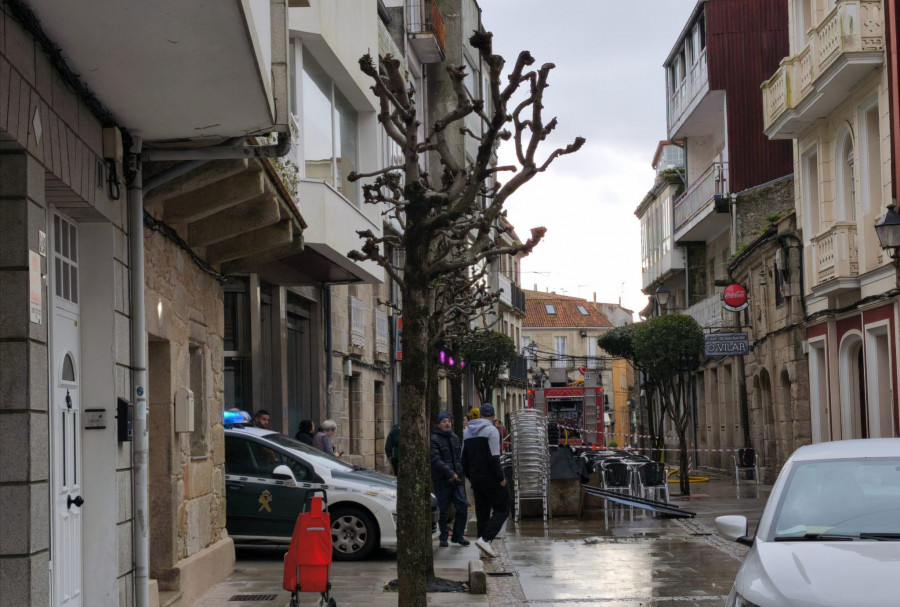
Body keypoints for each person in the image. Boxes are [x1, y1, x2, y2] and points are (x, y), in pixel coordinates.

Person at [461, 403, 509, 559]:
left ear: (480, 414)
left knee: (482, 512)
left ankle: (483, 548)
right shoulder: (491, 430)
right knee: (503, 509)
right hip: (491, 478)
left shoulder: (468, 432)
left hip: (476, 479)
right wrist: (501, 478)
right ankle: (486, 538)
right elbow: (494, 457)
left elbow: (463, 459)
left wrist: (470, 476)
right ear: (493, 416)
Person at [430, 412, 470, 547]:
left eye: (448, 421)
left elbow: (460, 457)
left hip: (456, 479)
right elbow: (436, 460)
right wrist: (450, 473)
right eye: (444, 421)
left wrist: (460, 472)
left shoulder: (455, 438)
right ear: (438, 424)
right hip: (442, 480)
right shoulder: (434, 439)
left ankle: (458, 535)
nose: (447, 424)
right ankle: (443, 536)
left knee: (462, 506)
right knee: (443, 509)